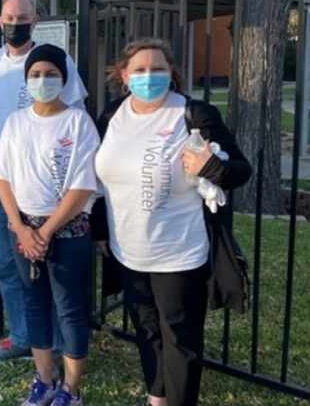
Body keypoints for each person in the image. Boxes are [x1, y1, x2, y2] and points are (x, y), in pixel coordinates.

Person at [93, 38, 251, 406]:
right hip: (127, 249)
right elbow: (100, 180)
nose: (149, 76)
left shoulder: (192, 114)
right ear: (124, 75)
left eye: (158, 69)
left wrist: (210, 167)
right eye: (140, 70)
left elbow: (241, 171)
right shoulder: (112, 115)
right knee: (146, 330)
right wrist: (100, 232)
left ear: (172, 74)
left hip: (178, 251)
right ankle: (156, 397)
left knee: (179, 338)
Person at [0, 0, 88, 363]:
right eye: (9, 17)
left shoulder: (56, 60)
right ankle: (23, 337)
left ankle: (56, 343)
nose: (15, 23)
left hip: (48, 181)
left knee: (52, 266)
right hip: (2, 180)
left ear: (34, 20)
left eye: (22, 17)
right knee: (9, 262)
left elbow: (76, 113)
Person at [0, 44, 99, 406]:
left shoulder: (78, 122)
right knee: (34, 302)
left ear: (63, 79)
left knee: (69, 307)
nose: (43, 80)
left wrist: (46, 230)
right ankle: (43, 380)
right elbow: (3, 178)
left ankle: (70, 389)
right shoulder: (15, 122)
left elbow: (83, 184)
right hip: (23, 229)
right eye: (35, 75)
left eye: (51, 74)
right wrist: (22, 229)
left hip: (66, 228)